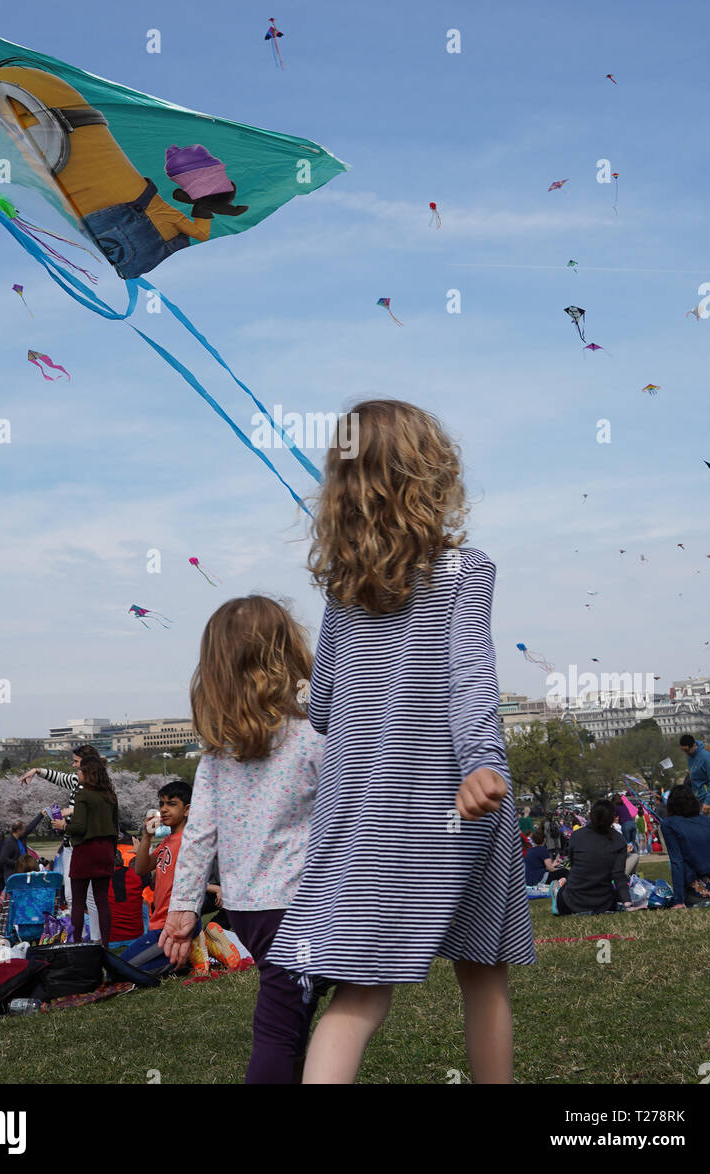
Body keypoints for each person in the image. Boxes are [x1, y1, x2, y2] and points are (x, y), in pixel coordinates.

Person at [264, 400, 535, 1086]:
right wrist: (480, 763)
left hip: (364, 814)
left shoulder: (341, 594)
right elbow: (470, 675)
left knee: (358, 993)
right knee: (483, 971)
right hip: (458, 806)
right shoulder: (464, 572)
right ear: (432, 475)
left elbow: (322, 706)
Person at [162, 595, 324, 1084]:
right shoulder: (314, 732)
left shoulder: (217, 753)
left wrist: (184, 908)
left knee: (295, 1018)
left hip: (249, 910)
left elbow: (198, 837)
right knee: (278, 1029)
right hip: (302, 906)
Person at [19, 745, 103, 937]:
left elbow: (96, 806)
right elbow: (60, 778)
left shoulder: (96, 785)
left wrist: (70, 813)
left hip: (83, 843)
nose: (73, 766)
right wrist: (37, 771)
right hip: (70, 843)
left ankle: (93, 939)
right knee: (72, 897)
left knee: (88, 897)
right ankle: (79, 937)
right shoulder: (78, 781)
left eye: (76, 762)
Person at [126, 782, 194, 972]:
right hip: (159, 924)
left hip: (175, 923)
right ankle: (181, 959)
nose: (164, 809)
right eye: (161, 804)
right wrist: (146, 837)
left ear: (187, 809)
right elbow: (141, 869)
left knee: (127, 969)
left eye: (171, 804)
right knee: (124, 966)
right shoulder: (166, 841)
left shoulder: (189, 841)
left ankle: (185, 956)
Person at [549, 800, 635, 916]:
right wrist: (627, 903)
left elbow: (573, 865)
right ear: (613, 818)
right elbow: (618, 875)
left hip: (571, 902)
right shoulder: (619, 840)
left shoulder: (576, 836)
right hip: (602, 903)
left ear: (591, 815)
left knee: (563, 889)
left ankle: (557, 893)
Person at [68, 756, 119, 947]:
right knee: (102, 900)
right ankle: (105, 944)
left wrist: (64, 825)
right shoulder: (110, 796)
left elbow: (79, 827)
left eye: (80, 770)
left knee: (78, 902)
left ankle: (78, 944)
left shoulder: (83, 794)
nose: (77, 773)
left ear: (88, 773)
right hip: (106, 850)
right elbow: (115, 826)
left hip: (85, 851)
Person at [660, 784, 710, 907]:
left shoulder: (669, 824)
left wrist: (678, 901)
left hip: (699, 893)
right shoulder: (709, 822)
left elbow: (676, 862)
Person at [108, 843, 148, 943]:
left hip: (110, 937)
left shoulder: (100, 880)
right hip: (136, 935)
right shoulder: (136, 874)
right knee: (145, 905)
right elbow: (148, 871)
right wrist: (139, 853)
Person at [679, 735, 710, 824]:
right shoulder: (689, 757)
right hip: (698, 799)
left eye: (687, 750)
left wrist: (708, 802)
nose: (686, 753)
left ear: (694, 745)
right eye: (683, 751)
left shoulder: (706, 757)